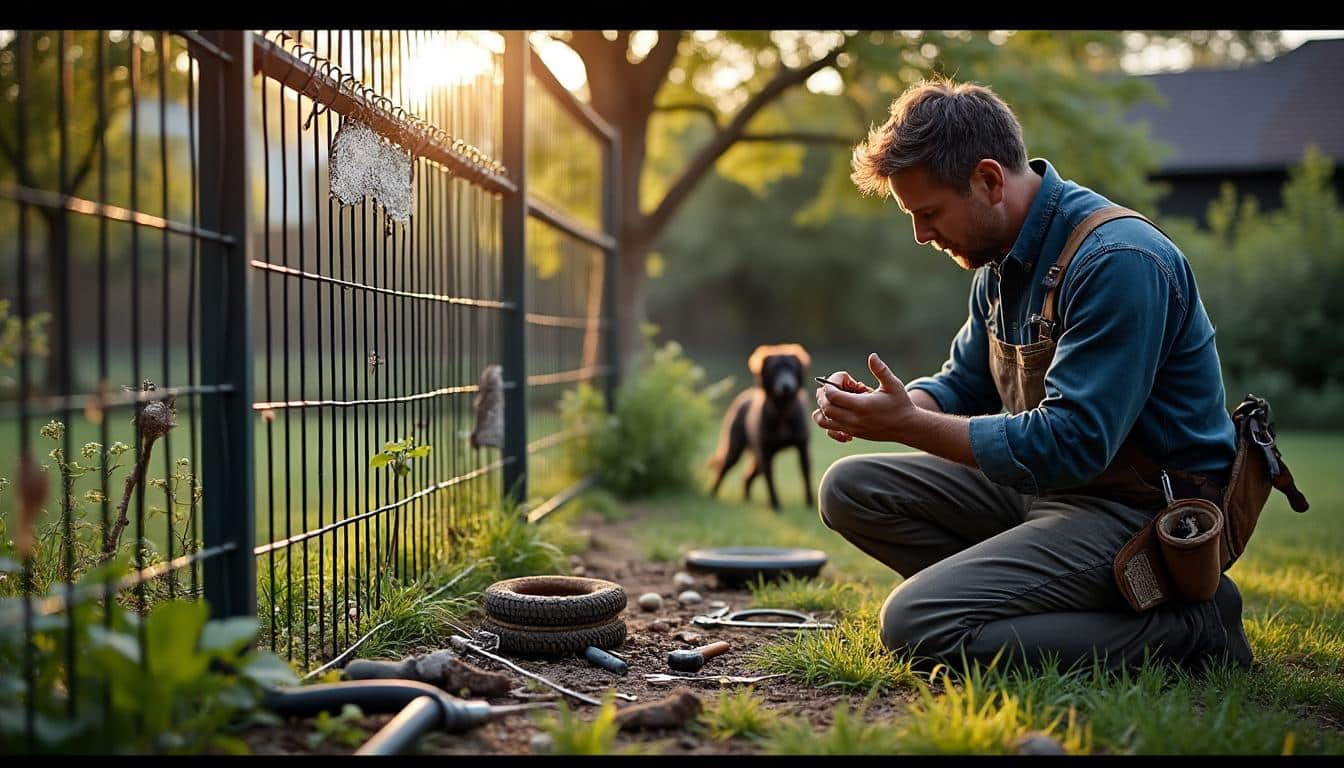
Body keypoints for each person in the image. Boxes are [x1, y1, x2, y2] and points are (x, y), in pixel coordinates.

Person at [811, 76, 1251, 673]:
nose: (921, 235)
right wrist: (892, 405)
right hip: (1041, 490)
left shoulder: (1118, 261)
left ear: (989, 180)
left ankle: (1192, 627)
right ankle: (1029, 607)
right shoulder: (998, 264)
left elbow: (1073, 443)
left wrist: (908, 426)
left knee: (916, 625)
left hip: (1133, 513)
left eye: (929, 212)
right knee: (849, 490)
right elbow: (961, 385)